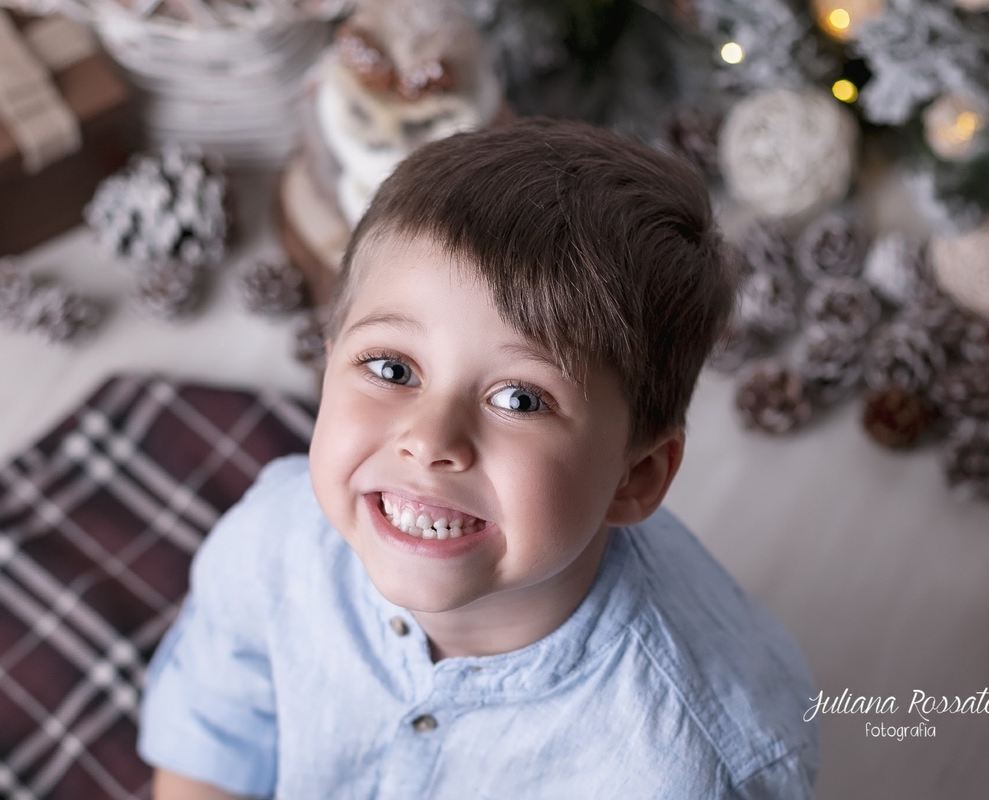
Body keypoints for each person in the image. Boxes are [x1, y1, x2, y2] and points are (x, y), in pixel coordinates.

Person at [138, 117, 819, 799]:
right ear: (328, 358)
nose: (431, 440)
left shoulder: (691, 764)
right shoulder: (271, 546)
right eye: (392, 368)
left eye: (520, 399)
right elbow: (213, 730)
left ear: (635, 476)